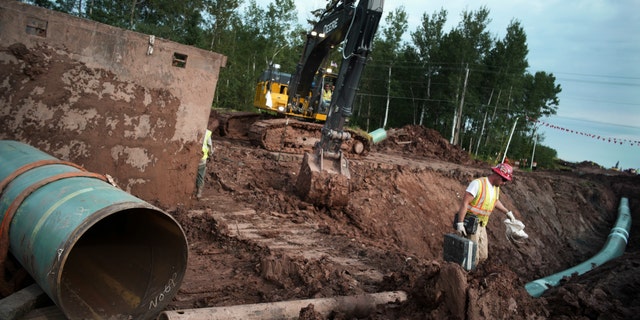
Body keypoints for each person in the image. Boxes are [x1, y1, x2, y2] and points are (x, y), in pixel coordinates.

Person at [455, 162, 522, 265]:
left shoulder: (496, 188)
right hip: (471, 223)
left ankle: (469, 269)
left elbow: (495, 201)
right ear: (497, 175)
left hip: (482, 224)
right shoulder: (478, 184)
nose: (504, 183)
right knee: (472, 257)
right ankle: (464, 274)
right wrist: (460, 223)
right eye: (504, 179)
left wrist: (507, 212)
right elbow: (465, 203)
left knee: (483, 255)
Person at [196, 128, 213, 199]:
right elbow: (209, 145)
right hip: (202, 157)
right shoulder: (207, 132)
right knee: (200, 174)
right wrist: (210, 154)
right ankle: (199, 192)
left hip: (192, 156)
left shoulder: (193, 129)